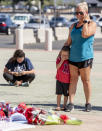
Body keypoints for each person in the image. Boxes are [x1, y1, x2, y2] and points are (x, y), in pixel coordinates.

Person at [62, 2, 96, 112]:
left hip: (85, 58)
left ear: (86, 13)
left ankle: (88, 103)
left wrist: (85, 21)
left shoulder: (92, 24)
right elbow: (68, 42)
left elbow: (85, 34)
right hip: (73, 58)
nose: (78, 15)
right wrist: (62, 53)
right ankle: (71, 103)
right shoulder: (73, 26)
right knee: (73, 80)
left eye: (81, 13)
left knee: (85, 81)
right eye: (76, 13)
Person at [55, 46, 70, 111]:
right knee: (59, 94)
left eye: (66, 55)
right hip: (59, 80)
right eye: (63, 55)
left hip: (67, 81)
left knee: (66, 95)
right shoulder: (59, 59)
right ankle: (58, 106)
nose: (64, 56)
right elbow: (57, 67)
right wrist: (62, 60)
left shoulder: (70, 61)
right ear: (61, 53)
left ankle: (64, 105)